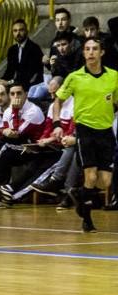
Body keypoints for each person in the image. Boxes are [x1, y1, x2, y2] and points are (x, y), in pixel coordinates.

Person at [52, 37, 118, 233]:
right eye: (87, 49)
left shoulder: (114, 76)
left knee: (105, 181)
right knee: (90, 175)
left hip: (106, 131)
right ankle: (87, 221)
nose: (91, 52)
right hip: (85, 130)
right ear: (83, 53)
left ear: (102, 52)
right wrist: (57, 124)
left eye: (95, 49)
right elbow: (57, 101)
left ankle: (79, 194)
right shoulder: (75, 77)